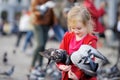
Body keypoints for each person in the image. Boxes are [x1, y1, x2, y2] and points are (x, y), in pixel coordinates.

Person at [56, 5, 98, 80]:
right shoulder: (68, 36)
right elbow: (60, 55)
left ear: (87, 24)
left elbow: (89, 64)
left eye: (79, 28)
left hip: (83, 77)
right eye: (73, 28)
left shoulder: (91, 41)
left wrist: (78, 76)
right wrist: (61, 66)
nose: (75, 31)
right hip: (68, 75)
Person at [30, 0, 57, 71]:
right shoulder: (36, 1)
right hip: (38, 23)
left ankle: (40, 65)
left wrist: (54, 22)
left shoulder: (49, 1)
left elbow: (51, 13)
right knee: (40, 44)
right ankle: (32, 65)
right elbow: (33, 11)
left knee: (43, 46)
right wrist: (43, 9)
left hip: (47, 25)